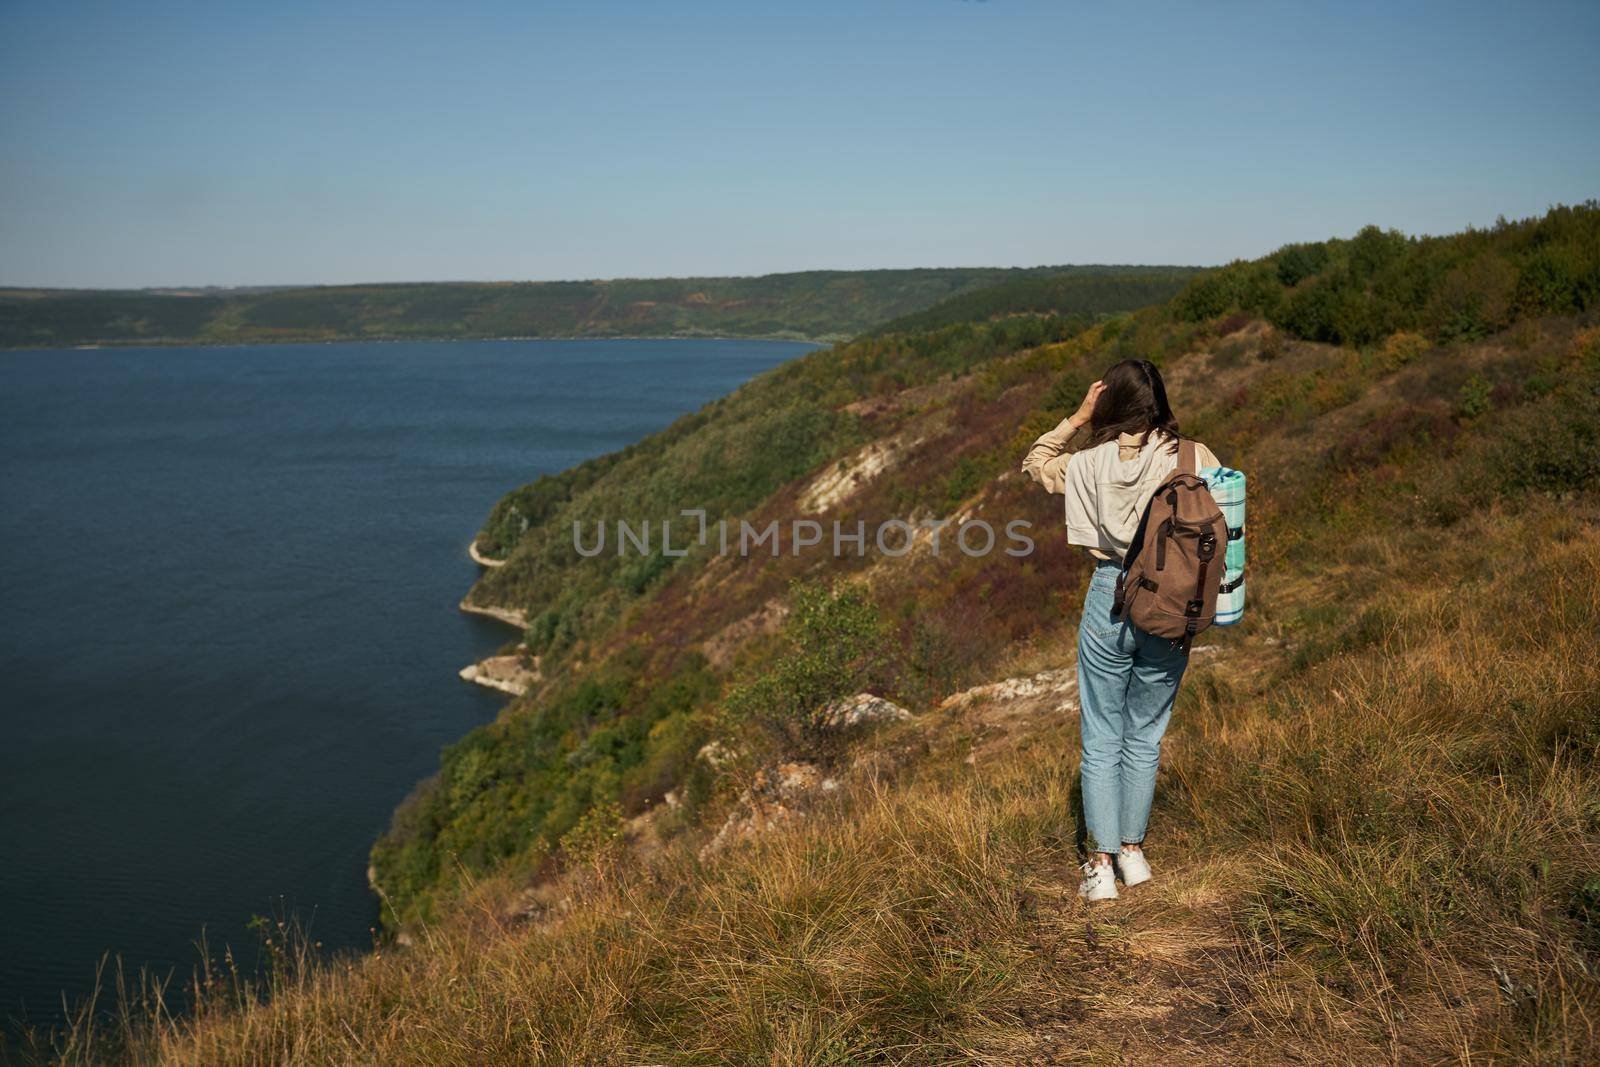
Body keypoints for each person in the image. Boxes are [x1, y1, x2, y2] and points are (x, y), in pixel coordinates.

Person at [1020, 359, 1219, 902]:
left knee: (1102, 733)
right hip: (1173, 600)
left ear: (1109, 405)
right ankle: (1133, 853)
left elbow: (1036, 459)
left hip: (1110, 596)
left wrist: (1079, 417)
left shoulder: (1086, 464)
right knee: (1146, 731)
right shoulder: (1192, 457)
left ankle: (1100, 865)